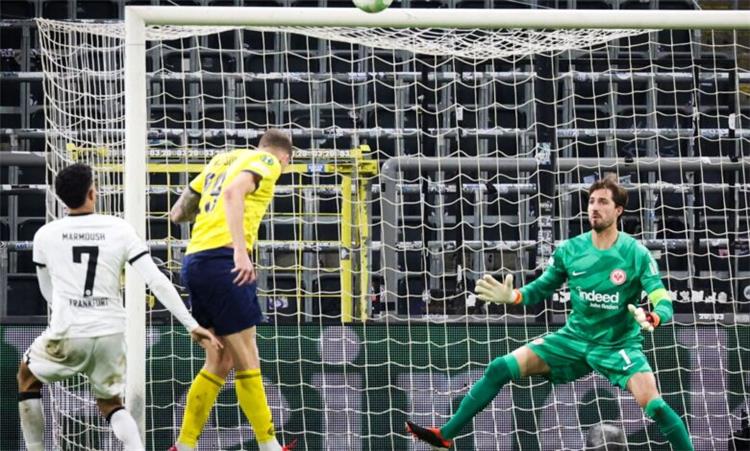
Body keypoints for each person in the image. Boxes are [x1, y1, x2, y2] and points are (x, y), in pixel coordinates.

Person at [406, 174, 693, 450]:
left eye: (603, 202)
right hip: (573, 339)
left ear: (618, 210)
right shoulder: (570, 250)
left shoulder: (636, 254)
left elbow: (662, 298)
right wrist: (515, 296)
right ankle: (444, 437)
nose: (594, 207)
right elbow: (542, 288)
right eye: (591, 201)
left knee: (655, 406)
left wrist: (654, 316)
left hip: (617, 344)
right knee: (500, 368)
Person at [16, 163, 221, 451]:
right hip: (111, 333)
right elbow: (156, 281)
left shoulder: (45, 235)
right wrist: (191, 325)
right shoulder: (119, 229)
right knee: (112, 404)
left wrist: (70, 309)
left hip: (68, 331)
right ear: (92, 193)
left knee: (27, 377)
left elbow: (47, 291)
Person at [169, 129, 295, 451]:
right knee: (247, 358)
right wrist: (240, 250)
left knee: (220, 361)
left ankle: (185, 445)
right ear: (285, 157)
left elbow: (178, 213)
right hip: (224, 261)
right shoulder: (267, 161)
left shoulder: (221, 160)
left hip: (195, 262)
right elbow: (233, 193)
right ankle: (269, 445)